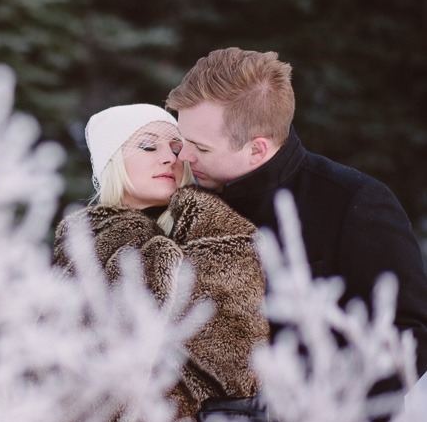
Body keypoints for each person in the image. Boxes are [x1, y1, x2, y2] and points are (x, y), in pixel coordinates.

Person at [166, 47, 427, 378]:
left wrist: (288, 410)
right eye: (181, 139)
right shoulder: (180, 200)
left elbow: (410, 337)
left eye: (201, 147)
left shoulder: (353, 203)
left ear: (257, 148)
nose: (184, 155)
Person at [53, 104, 268, 422]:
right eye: (148, 147)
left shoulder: (214, 237)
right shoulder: (83, 251)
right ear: (111, 163)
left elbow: (241, 364)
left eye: (176, 147)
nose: (170, 157)